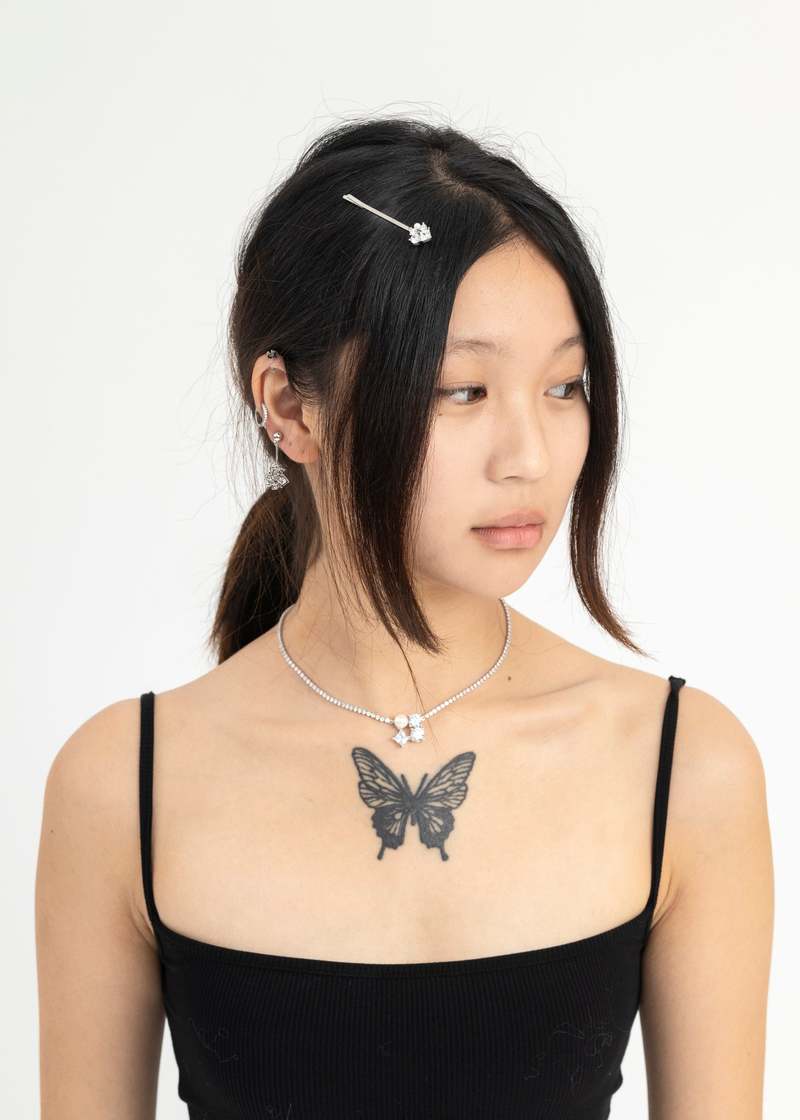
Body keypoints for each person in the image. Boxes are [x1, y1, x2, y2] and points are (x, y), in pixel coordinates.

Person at [35, 116, 773, 1118]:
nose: (530, 454)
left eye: (564, 386)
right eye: (462, 391)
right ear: (289, 409)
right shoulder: (122, 786)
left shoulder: (684, 767)